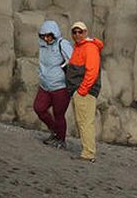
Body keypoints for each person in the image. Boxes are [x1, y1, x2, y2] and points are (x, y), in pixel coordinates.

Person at [33, 21, 75, 149]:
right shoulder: (43, 46)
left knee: (59, 114)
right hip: (45, 85)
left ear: (55, 34)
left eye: (49, 35)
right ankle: (54, 131)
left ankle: (61, 140)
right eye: (44, 36)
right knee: (39, 108)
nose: (46, 38)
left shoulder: (63, 44)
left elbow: (73, 61)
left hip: (60, 87)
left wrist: (64, 68)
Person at [66, 21, 103, 162]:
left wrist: (82, 90)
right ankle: (87, 151)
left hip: (85, 92)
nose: (77, 35)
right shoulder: (79, 47)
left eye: (80, 32)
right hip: (80, 91)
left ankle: (88, 153)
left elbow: (92, 72)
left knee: (85, 122)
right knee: (83, 121)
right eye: (74, 32)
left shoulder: (89, 48)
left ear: (85, 32)